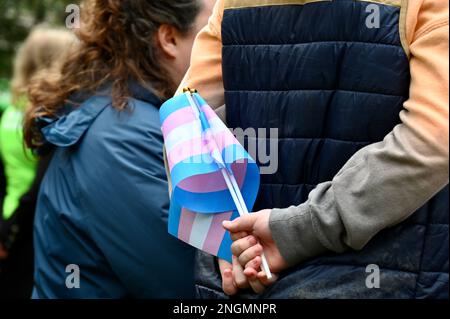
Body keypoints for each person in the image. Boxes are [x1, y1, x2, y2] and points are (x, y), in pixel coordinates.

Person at [177, 0, 449, 298]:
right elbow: (435, 137)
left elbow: (186, 125)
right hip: (387, 280)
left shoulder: (231, 4)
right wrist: (296, 231)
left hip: (248, 279)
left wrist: (226, 238)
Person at [23, 0, 214, 298]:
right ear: (169, 39)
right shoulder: (123, 140)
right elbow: (193, 286)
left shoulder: (125, 117)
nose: (223, 47)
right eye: (212, 31)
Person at [0, 26, 75, 299]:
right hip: (29, 228)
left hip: (9, 218)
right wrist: (12, 234)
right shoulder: (48, 115)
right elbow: (38, 185)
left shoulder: (11, 109)